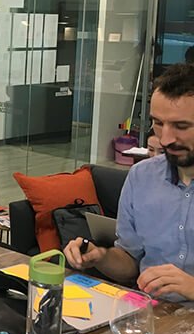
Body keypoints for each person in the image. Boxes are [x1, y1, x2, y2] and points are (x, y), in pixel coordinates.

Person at [64, 63, 194, 302]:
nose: (165, 139)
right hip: (150, 315)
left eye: (181, 126)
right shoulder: (141, 176)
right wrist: (100, 256)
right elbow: (129, 263)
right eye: (158, 123)